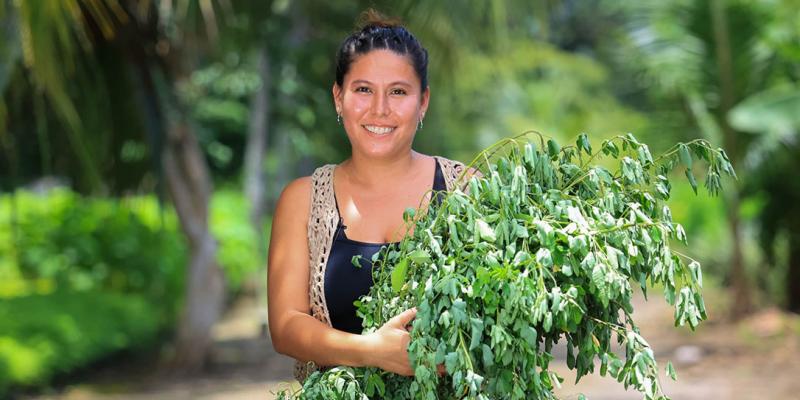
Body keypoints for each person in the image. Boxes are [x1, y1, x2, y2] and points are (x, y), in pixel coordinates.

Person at [267, 10, 469, 382]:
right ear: (338, 97)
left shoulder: (466, 189)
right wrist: (373, 351)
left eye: (398, 92)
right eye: (363, 90)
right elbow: (285, 325)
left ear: (423, 101)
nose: (379, 109)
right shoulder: (303, 200)